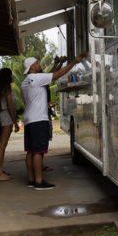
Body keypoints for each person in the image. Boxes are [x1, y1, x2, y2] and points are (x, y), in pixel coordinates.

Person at [21, 52, 87, 189]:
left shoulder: (25, 82)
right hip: (39, 118)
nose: (39, 65)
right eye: (37, 63)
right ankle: (39, 182)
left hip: (28, 119)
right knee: (38, 152)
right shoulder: (37, 78)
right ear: (32, 66)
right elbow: (56, 74)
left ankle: (31, 180)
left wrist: (59, 63)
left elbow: (29, 98)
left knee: (30, 151)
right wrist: (74, 62)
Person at [0, 68, 18, 181]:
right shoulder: (7, 89)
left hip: (1, 115)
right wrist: (15, 122)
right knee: (2, 145)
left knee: (1, 145)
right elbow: (10, 106)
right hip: (7, 117)